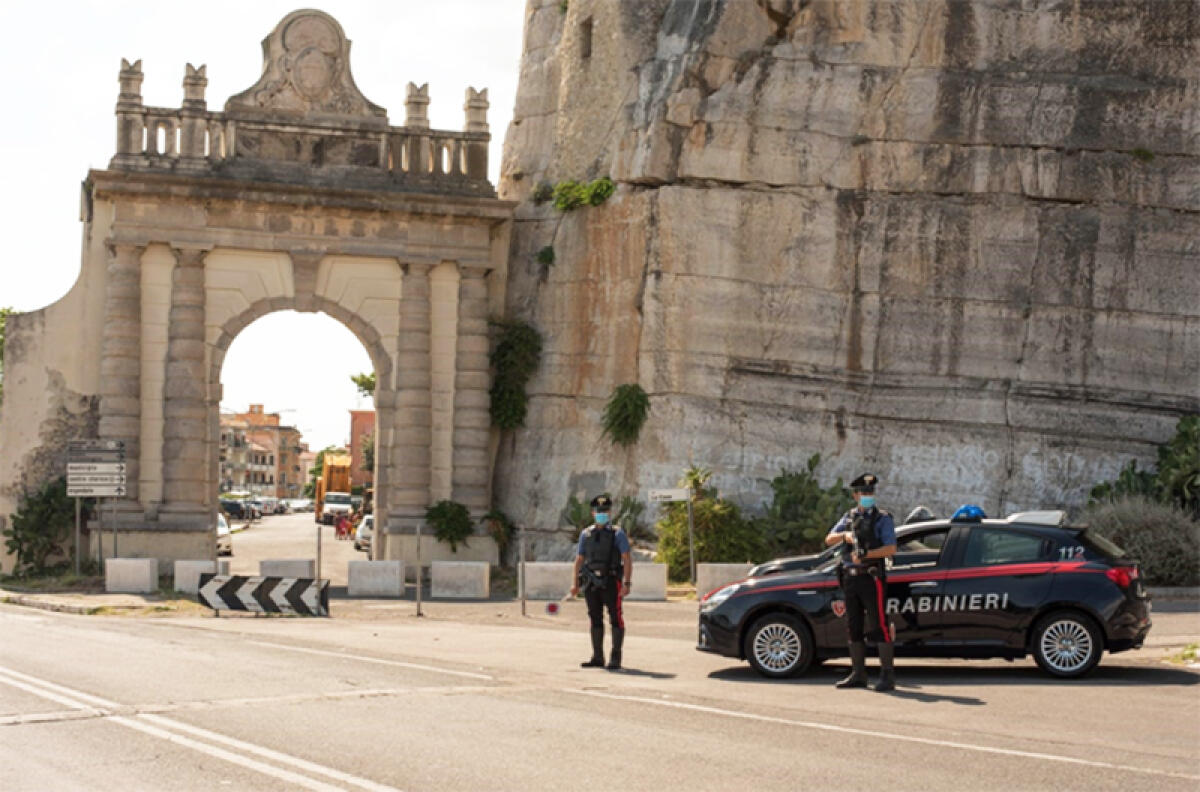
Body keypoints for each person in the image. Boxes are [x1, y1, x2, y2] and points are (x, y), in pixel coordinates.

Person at [824, 473, 897, 692]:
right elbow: (829, 539)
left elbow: (891, 548)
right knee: (853, 625)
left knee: (878, 624)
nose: (868, 496)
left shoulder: (882, 518)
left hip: (870, 576)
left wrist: (867, 554)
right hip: (850, 578)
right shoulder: (848, 517)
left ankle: (887, 675)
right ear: (855, 495)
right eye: (864, 493)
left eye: (870, 492)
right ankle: (858, 673)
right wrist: (845, 536)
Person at [570, 494, 633, 670]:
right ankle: (597, 656)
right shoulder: (586, 534)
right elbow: (579, 559)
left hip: (611, 581)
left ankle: (615, 658)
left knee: (616, 618)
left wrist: (626, 583)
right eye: (598, 511)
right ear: (592, 513)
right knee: (594, 618)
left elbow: (626, 558)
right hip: (591, 582)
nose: (601, 514)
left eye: (604, 511)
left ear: (610, 512)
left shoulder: (617, 533)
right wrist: (575, 584)